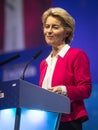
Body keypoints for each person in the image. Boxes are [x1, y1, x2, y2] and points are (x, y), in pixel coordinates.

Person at [39, 7, 92, 130]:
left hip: (69, 121)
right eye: (47, 26)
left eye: (55, 27)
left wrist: (63, 90)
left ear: (67, 32)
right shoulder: (44, 63)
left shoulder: (76, 55)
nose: (49, 31)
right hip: (46, 121)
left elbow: (86, 89)